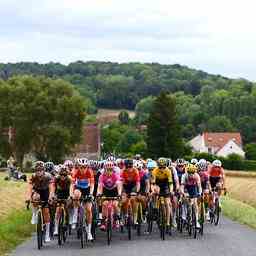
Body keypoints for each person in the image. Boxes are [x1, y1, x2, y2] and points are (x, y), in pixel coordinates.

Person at [25, 161, 54, 242]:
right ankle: (34, 214)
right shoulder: (33, 176)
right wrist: (29, 197)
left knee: (46, 213)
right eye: (37, 170)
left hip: (45, 191)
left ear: (43, 170)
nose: (39, 172)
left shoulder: (48, 176)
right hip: (37, 190)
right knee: (35, 197)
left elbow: (51, 187)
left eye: (40, 170)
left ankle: (47, 234)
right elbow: (30, 188)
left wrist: (51, 196)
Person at [71, 158, 94, 241]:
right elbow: (72, 184)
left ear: (87, 167)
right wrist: (71, 194)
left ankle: (89, 232)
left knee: (88, 210)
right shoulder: (76, 172)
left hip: (87, 189)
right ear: (78, 167)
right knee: (76, 195)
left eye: (84, 167)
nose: (83, 169)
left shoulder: (89, 172)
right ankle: (75, 213)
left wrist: (91, 194)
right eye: (81, 167)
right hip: (79, 188)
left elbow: (92, 185)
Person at [97, 161, 122, 230]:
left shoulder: (116, 176)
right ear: (105, 169)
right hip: (106, 191)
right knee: (104, 204)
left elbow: (119, 185)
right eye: (107, 169)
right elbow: (100, 186)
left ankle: (116, 219)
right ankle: (103, 222)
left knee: (115, 204)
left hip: (114, 191)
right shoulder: (101, 176)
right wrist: (99, 194)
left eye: (110, 169)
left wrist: (119, 194)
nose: (109, 171)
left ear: (113, 170)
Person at [151, 157, 172, 234]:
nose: (162, 168)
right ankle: (156, 208)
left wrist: (171, 191)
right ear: (158, 166)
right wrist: (153, 190)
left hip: (166, 185)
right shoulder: (155, 171)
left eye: (164, 167)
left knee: (167, 203)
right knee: (156, 191)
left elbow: (170, 183)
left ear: (166, 166)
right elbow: (153, 183)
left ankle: (168, 224)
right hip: (158, 184)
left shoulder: (168, 170)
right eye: (160, 167)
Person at [52, 165, 72, 235]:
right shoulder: (56, 178)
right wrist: (53, 195)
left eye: (64, 174)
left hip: (67, 193)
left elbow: (72, 187)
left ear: (67, 174)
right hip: (59, 193)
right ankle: (56, 228)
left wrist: (70, 196)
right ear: (59, 174)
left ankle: (67, 221)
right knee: (57, 210)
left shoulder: (69, 179)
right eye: (61, 174)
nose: (63, 176)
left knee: (67, 207)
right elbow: (53, 187)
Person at [180, 164, 202, 228]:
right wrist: (183, 193)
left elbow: (199, 186)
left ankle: (196, 221)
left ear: (194, 172)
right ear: (187, 172)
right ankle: (185, 215)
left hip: (193, 187)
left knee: (195, 203)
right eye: (189, 173)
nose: (191, 174)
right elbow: (182, 186)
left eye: (192, 173)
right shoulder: (184, 176)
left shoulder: (197, 176)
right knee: (186, 200)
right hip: (186, 188)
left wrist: (200, 193)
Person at [121, 159, 140, 225]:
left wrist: (137, 191)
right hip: (125, 186)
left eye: (130, 167)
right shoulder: (123, 171)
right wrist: (122, 192)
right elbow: (121, 183)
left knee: (133, 199)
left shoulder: (135, 171)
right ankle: (124, 214)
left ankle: (135, 218)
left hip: (133, 186)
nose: (129, 168)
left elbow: (138, 183)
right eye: (127, 167)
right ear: (125, 166)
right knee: (124, 200)